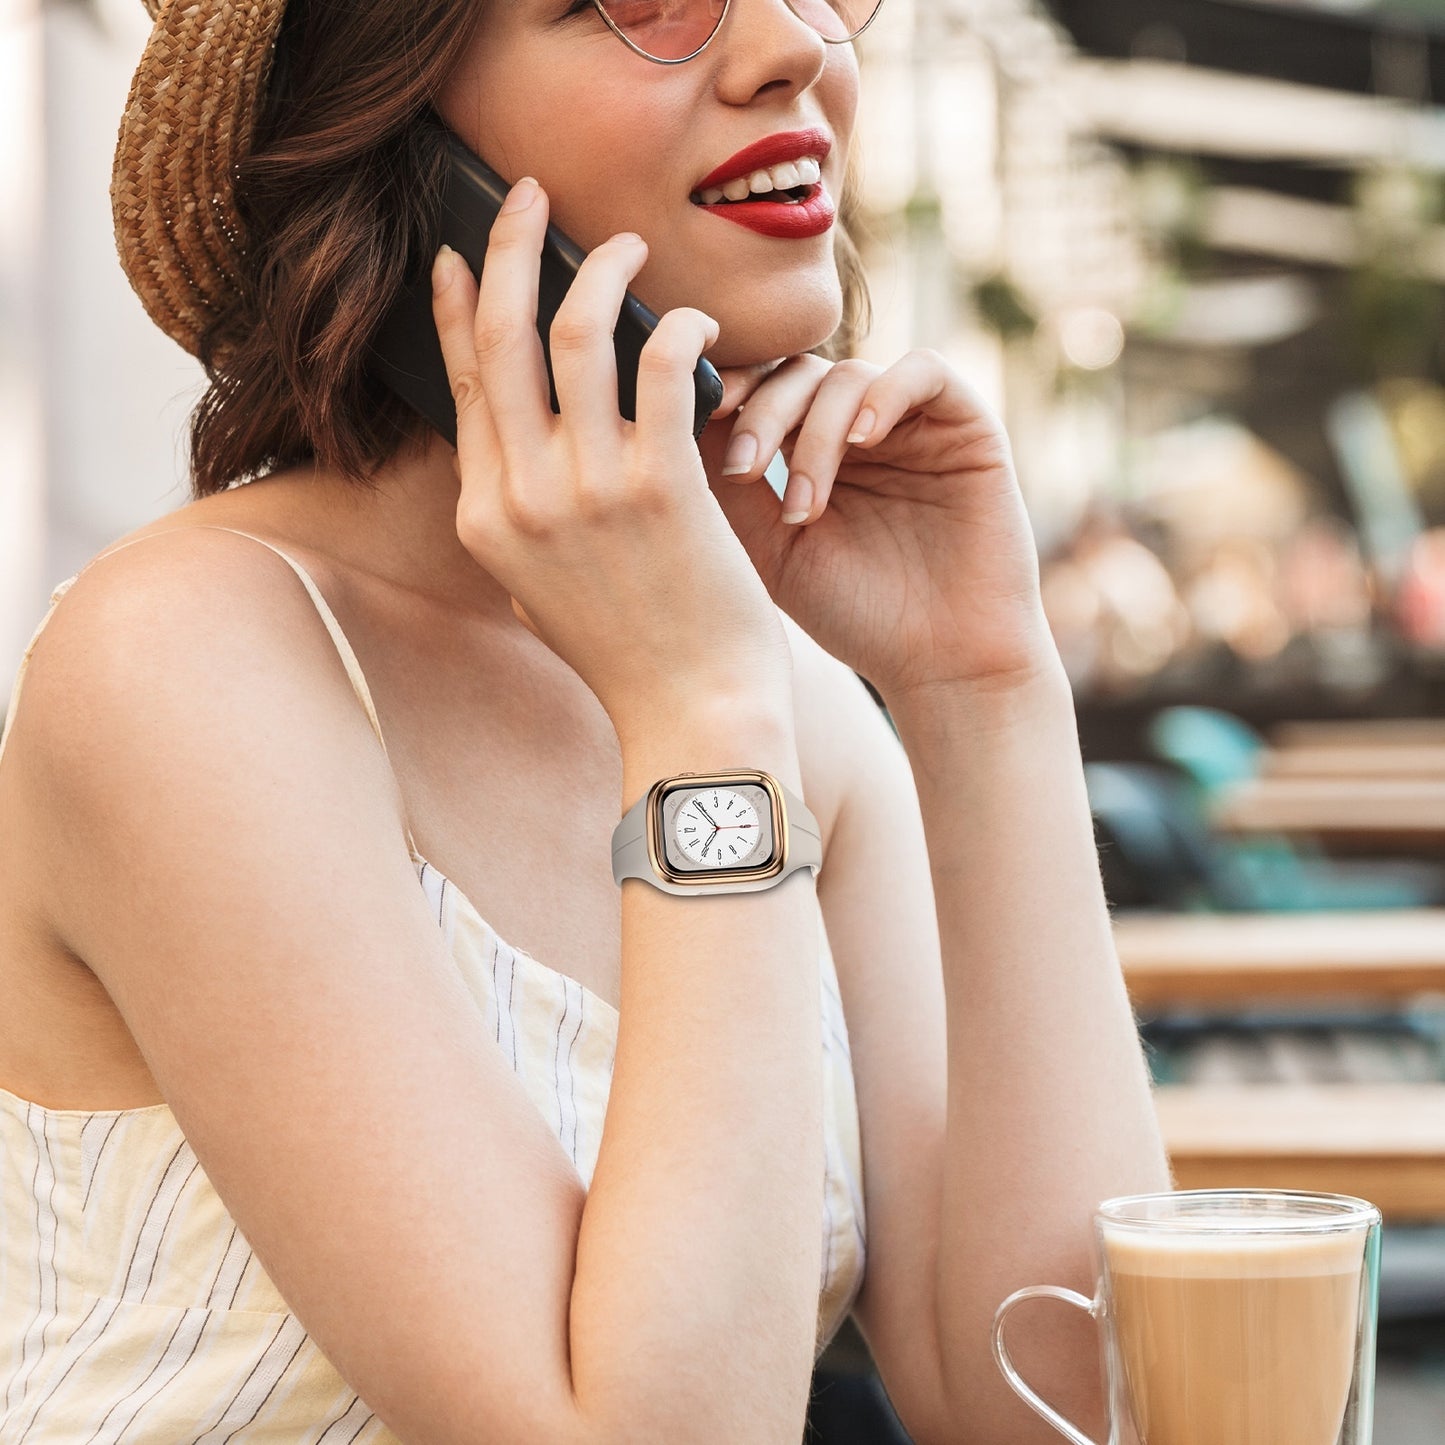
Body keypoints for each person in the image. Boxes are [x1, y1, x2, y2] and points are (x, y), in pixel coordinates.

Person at [0, 0, 1171, 1439]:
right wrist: (691, 710)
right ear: (400, 121)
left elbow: (1058, 1403)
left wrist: (983, 686)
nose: (789, 47)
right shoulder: (188, 664)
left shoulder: (770, 690)